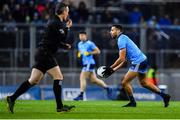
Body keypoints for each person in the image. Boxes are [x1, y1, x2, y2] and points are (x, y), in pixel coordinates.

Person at [6, 2, 75, 113]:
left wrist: (64, 45)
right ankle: (60, 107)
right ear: (63, 11)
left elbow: (55, 40)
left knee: (33, 80)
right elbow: (62, 37)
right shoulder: (56, 23)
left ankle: (12, 98)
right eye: (67, 10)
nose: (68, 12)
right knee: (59, 77)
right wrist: (67, 28)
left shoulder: (57, 22)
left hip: (42, 53)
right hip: (45, 53)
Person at [102, 24, 171, 107]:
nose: (110, 32)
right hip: (143, 60)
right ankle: (165, 96)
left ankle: (132, 102)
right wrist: (112, 70)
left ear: (118, 31)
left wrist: (110, 68)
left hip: (138, 62)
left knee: (124, 82)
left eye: (112, 30)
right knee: (144, 83)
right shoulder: (123, 38)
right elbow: (124, 61)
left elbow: (121, 58)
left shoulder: (121, 40)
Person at [73, 31, 112, 101]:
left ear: (86, 36)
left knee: (82, 77)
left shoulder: (90, 43)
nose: (81, 37)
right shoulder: (79, 44)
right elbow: (81, 51)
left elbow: (98, 51)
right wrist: (79, 54)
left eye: (83, 35)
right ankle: (107, 88)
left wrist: (89, 53)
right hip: (85, 63)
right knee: (94, 80)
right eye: (80, 36)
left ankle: (81, 95)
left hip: (89, 63)